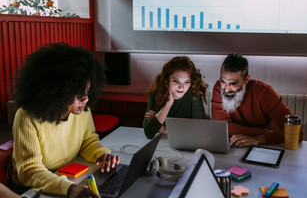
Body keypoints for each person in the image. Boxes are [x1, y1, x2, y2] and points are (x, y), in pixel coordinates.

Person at [10, 43, 120, 198]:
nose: (87, 98)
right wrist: (71, 189)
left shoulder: (81, 110)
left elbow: (88, 140)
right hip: (33, 188)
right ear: (57, 91)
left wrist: (101, 154)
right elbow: (30, 171)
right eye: (79, 92)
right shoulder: (27, 116)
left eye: (87, 90)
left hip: (69, 176)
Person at [211, 54, 303, 147]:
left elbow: (297, 135)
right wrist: (264, 132)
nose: (226, 89)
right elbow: (222, 127)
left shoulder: (264, 92)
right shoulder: (219, 88)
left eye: (233, 84)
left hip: (264, 146)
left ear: (246, 80)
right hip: (235, 145)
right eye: (223, 81)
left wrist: (259, 139)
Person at [143, 56, 208, 139]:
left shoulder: (194, 93)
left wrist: (164, 129)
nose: (182, 87)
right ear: (167, 80)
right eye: (176, 81)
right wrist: (168, 103)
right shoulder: (155, 92)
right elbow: (148, 133)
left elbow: (198, 130)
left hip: (186, 141)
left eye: (187, 82)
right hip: (163, 143)